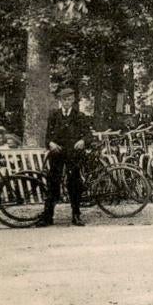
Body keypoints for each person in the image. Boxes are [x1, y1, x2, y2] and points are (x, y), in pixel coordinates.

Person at [38, 87, 92, 227]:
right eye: (64, 100)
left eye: (69, 100)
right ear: (60, 101)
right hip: (57, 154)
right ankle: (48, 217)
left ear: (73, 100)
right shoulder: (54, 116)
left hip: (73, 156)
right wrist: (51, 143)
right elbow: (47, 137)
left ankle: (76, 215)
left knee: (74, 185)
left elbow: (88, 135)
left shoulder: (79, 116)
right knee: (53, 184)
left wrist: (83, 141)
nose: (67, 102)